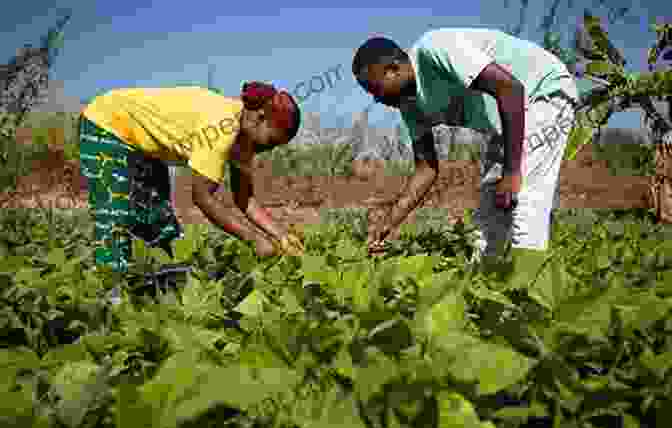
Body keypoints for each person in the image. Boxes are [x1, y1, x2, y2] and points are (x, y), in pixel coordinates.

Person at [352, 30, 579, 266]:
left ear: (393, 69)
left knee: (524, 200)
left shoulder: (434, 49)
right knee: (490, 212)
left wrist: (512, 172)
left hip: (541, 90)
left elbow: (510, 89)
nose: (378, 99)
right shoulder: (409, 105)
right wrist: (390, 221)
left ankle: (532, 291)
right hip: (508, 121)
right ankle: (488, 286)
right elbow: (426, 169)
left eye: (376, 89)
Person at [79, 81, 305, 276]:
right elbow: (202, 197)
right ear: (260, 118)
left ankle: (155, 293)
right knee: (117, 215)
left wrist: (281, 235)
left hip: (145, 146)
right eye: (271, 141)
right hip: (107, 124)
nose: (269, 149)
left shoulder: (245, 140)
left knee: (159, 223)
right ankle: (111, 299)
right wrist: (254, 239)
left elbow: (244, 197)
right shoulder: (221, 127)